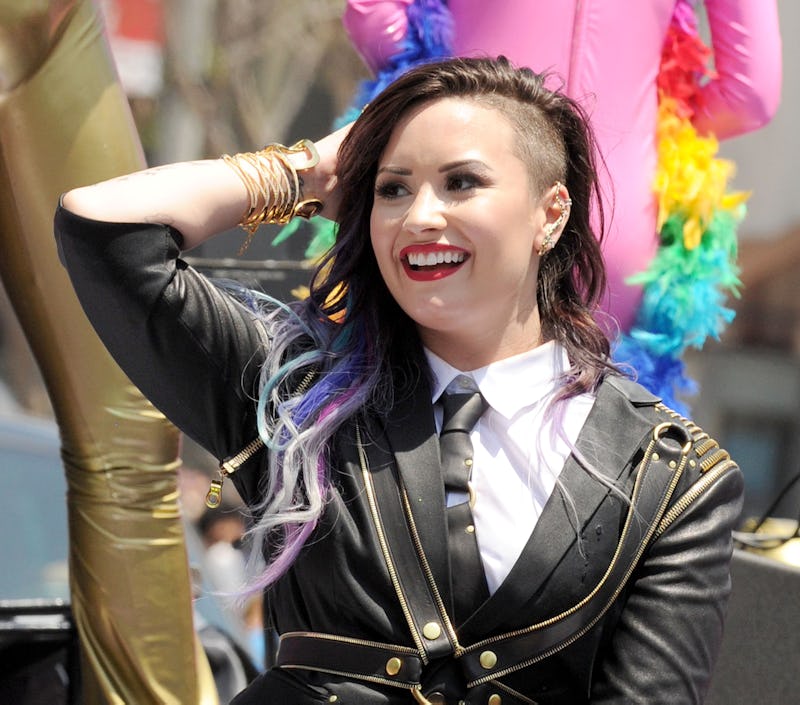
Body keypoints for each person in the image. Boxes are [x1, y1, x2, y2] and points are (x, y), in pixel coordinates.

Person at [55, 57, 743, 704]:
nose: (419, 216)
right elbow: (103, 231)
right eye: (391, 188)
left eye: (461, 182)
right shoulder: (294, 390)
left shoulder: (672, 475)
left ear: (551, 213)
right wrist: (308, 169)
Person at [342, 0, 782, 409]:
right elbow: (750, 95)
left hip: (461, 200)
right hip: (622, 215)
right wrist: (641, 135)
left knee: (405, 423)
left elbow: (375, 23)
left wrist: (445, 120)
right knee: (605, 451)